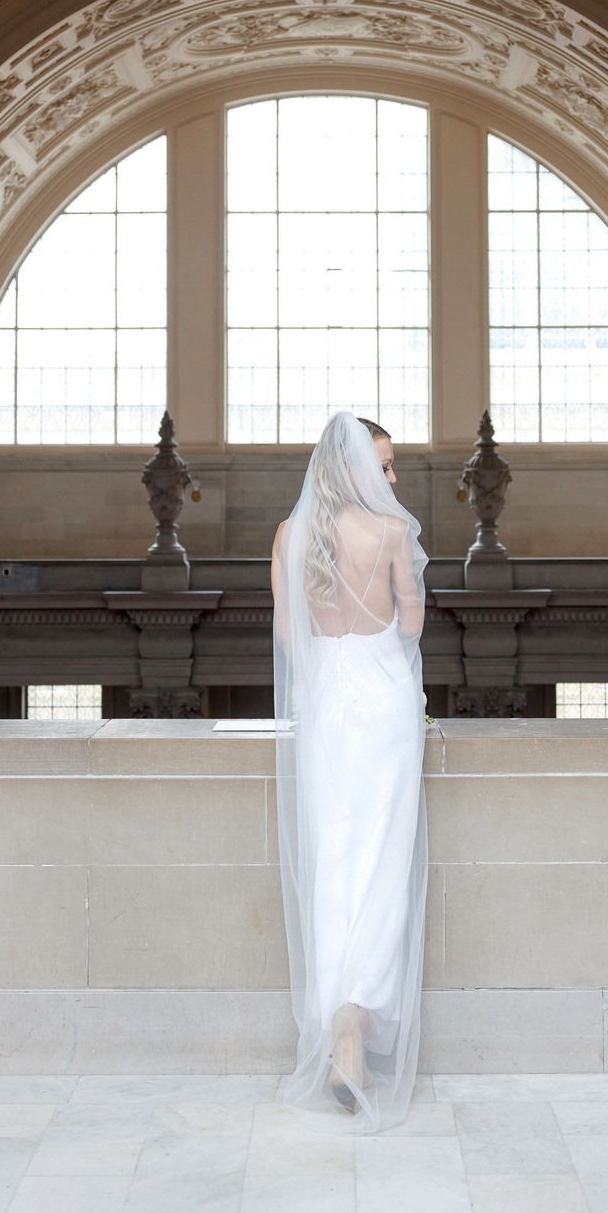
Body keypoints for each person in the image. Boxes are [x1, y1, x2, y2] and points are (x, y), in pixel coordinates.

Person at [270, 412, 429, 1130]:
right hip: (383, 699)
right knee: (382, 858)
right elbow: (413, 625)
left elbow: (286, 636)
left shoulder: (291, 534)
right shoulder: (393, 534)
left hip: (325, 703)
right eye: (386, 465)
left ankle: (337, 1026)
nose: (393, 479)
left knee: (332, 854)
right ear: (361, 468)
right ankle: (357, 1023)